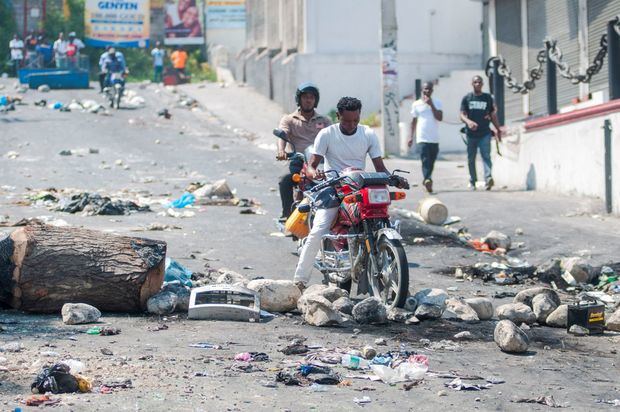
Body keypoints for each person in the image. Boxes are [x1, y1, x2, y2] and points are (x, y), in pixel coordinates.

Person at [292, 97, 408, 289]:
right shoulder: (327, 134)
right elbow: (311, 167)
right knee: (318, 229)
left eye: (355, 120)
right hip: (333, 186)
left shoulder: (368, 134)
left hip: (359, 185)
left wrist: (394, 179)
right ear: (338, 116)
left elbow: (380, 168)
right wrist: (316, 174)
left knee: (380, 216)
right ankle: (300, 280)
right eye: (346, 121)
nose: (351, 124)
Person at [276, 82, 331, 220]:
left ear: (315, 100)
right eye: (305, 97)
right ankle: (287, 214)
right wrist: (281, 150)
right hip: (299, 161)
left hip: (321, 162)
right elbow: (283, 134)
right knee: (285, 181)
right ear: (299, 99)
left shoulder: (324, 120)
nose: (308, 100)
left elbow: (334, 137)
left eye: (311, 97)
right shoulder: (289, 119)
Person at [460, 75, 502, 191]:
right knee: (471, 159)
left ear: (482, 84)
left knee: (486, 156)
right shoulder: (467, 98)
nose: (477, 84)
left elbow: (493, 115)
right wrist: (469, 122)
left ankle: (488, 178)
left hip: (485, 133)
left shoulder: (487, 98)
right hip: (471, 134)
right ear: (472, 84)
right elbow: (462, 115)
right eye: (475, 82)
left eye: (479, 82)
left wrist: (498, 129)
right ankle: (473, 181)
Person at [408, 81, 443, 193]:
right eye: (425, 89)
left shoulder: (437, 102)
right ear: (422, 90)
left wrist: (431, 104)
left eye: (429, 89)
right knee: (425, 160)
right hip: (422, 138)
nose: (427, 91)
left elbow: (439, 117)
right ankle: (428, 179)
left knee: (431, 161)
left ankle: (426, 179)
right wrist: (410, 137)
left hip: (434, 138)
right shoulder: (416, 104)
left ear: (432, 90)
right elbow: (413, 122)